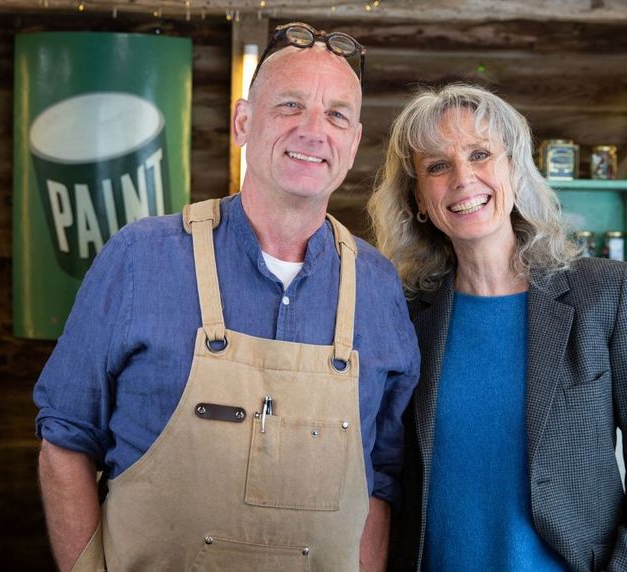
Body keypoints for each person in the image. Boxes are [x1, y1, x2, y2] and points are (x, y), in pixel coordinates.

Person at [34, 22, 420, 572]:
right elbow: (65, 440)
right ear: (243, 122)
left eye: (337, 114)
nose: (314, 130)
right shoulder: (141, 258)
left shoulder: (380, 288)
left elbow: (380, 478)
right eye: (290, 105)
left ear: (353, 143)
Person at [367, 83, 627, 571]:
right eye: (437, 166)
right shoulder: (404, 316)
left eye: (481, 154)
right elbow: (382, 469)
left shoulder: (606, 295)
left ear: (516, 170)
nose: (463, 177)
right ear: (418, 199)